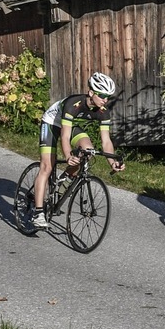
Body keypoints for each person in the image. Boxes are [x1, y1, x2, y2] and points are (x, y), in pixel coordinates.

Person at [31, 71, 126, 229]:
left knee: (88, 151)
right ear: (91, 92)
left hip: (72, 125)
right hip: (52, 123)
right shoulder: (73, 105)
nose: (105, 100)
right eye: (102, 95)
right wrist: (68, 155)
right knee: (47, 166)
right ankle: (38, 212)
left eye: (108, 96)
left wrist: (112, 162)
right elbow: (65, 137)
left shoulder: (103, 112)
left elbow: (106, 141)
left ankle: (63, 183)